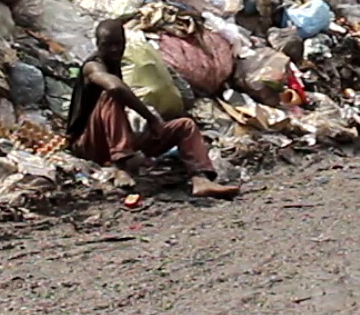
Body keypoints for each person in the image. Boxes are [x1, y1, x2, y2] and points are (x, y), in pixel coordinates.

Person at [66, 19, 238, 199]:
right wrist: (150, 118)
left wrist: (148, 124)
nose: (115, 50)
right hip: (88, 143)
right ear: (98, 44)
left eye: (119, 44)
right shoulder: (93, 66)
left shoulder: (115, 63)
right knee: (112, 95)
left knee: (185, 126)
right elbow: (115, 88)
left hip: (116, 142)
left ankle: (201, 179)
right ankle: (121, 165)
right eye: (108, 45)